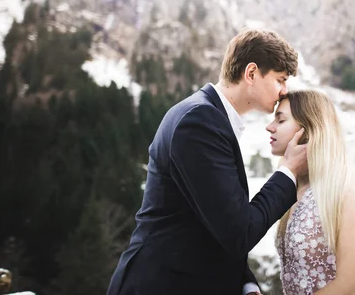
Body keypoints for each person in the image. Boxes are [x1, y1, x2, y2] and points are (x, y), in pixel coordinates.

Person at [106, 29, 309, 295]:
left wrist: (246, 284)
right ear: (251, 73)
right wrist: (288, 172)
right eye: (280, 80)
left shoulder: (209, 117)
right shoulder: (199, 121)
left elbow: (215, 223)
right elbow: (239, 231)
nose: (284, 91)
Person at [266, 90, 355, 295]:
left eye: (281, 120)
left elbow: (353, 287)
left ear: (307, 128)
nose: (270, 127)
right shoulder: (292, 186)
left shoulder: (345, 184)